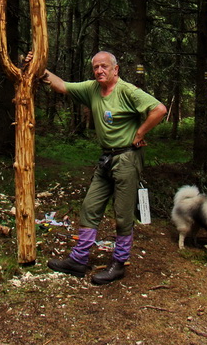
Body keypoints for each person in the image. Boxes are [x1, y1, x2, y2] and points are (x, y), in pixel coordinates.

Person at [43, 51, 167, 285]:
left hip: (128, 158)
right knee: (90, 207)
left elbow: (159, 109)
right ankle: (78, 260)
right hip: (106, 159)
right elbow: (61, 86)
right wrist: (39, 68)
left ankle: (119, 263)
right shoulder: (92, 89)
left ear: (115, 69)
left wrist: (140, 133)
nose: (99, 71)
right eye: (96, 67)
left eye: (104, 67)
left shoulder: (127, 91)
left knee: (122, 214)